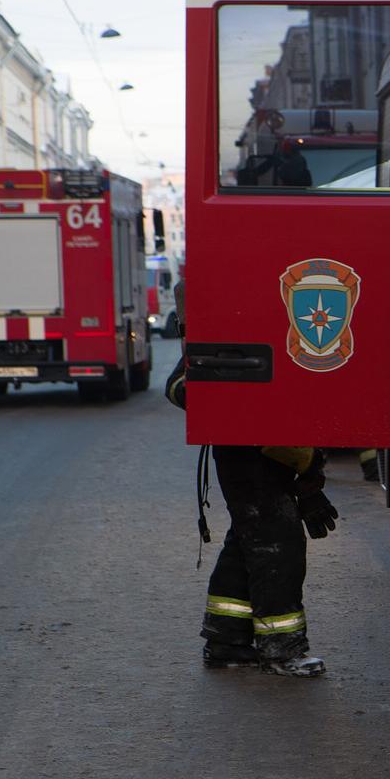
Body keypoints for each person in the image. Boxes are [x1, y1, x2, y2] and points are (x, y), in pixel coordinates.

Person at [165, 280, 337, 677]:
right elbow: (178, 387)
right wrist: (225, 394)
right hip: (246, 453)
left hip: (272, 452)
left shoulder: (282, 324)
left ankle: (225, 642)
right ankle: (282, 649)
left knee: (248, 540)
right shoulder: (224, 331)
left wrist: (310, 473)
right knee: (278, 545)